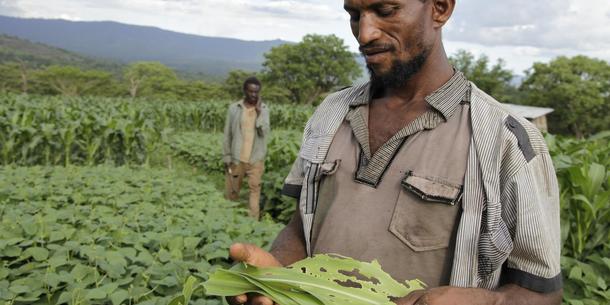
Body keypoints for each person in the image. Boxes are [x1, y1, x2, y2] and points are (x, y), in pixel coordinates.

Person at [227, 1, 562, 304]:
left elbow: (541, 293)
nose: (364, 34)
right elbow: (302, 226)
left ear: (440, 9)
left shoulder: (506, 141)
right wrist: (275, 273)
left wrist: (491, 302)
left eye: (385, 11)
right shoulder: (331, 112)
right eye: (354, 15)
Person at [223, 76, 270, 220]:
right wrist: (226, 156)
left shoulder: (264, 109)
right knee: (232, 192)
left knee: (254, 191)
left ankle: (253, 223)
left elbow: (264, 132)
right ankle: (229, 219)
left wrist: (259, 113)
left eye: (256, 92)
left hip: (255, 159)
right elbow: (227, 134)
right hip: (237, 158)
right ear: (245, 91)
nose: (254, 95)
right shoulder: (234, 108)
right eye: (251, 91)